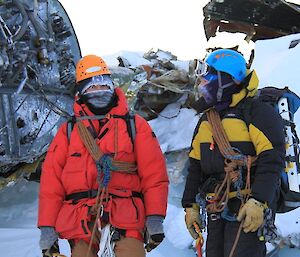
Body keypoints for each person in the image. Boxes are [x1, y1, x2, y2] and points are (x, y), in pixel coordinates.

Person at [38, 54, 169, 257]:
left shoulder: (134, 126)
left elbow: (154, 174)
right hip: (80, 217)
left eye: (104, 85)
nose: (99, 91)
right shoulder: (68, 132)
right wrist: (47, 228)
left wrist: (154, 218)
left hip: (127, 213)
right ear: (81, 92)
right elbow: (51, 183)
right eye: (92, 87)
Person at [182, 49, 285, 257]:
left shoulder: (257, 112)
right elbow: (195, 166)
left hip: (248, 204)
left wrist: (258, 201)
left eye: (209, 74)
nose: (203, 81)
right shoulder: (207, 119)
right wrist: (190, 206)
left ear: (227, 80)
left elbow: (272, 160)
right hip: (216, 205)